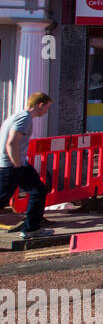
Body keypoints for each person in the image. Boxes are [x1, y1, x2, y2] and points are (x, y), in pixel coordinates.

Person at [0, 92, 53, 240]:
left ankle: (31, 228)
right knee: (2, 198)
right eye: (46, 108)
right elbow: (11, 142)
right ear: (40, 104)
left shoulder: (17, 116)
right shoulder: (24, 118)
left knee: (39, 190)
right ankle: (31, 228)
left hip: (17, 163)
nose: (46, 112)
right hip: (12, 164)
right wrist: (17, 164)